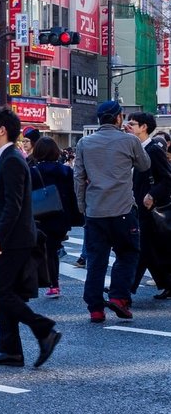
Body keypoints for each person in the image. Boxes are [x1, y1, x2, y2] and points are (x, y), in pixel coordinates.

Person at [0, 109, 61, 368]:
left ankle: (43, 328)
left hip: (14, 239)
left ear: (2, 130)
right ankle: (11, 351)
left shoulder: (12, 159)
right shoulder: (6, 158)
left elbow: (13, 206)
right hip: (10, 236)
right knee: (2, 291)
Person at [74, 101, 151, 323]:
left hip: (95, 210)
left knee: (96, 260)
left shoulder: (84, 143)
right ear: (118, 118)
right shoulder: (130, 140)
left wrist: (82, 207)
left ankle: (95, 309)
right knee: (128, 254)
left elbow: (78, 177)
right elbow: (145, 165)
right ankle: (119, 297)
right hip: (124, 209)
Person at [127, 112, 171, 300]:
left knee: (140, 248)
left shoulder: (153, 149)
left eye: (133, 123)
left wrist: (151, 195)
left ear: (144, 127)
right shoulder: (135, 148)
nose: (129, 126)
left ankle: (124, 289)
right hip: (138, 206)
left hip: (150, 207)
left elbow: (167, 179)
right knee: (151, 250)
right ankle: (168, 284)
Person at [31, 136, 82, 299]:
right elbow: (73, 194)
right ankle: (54, 284)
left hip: (40, 215)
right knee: (52, 250)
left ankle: (44, 281)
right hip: (60, 215)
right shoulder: (66, 170)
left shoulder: (34, 170)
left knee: (42, 248)